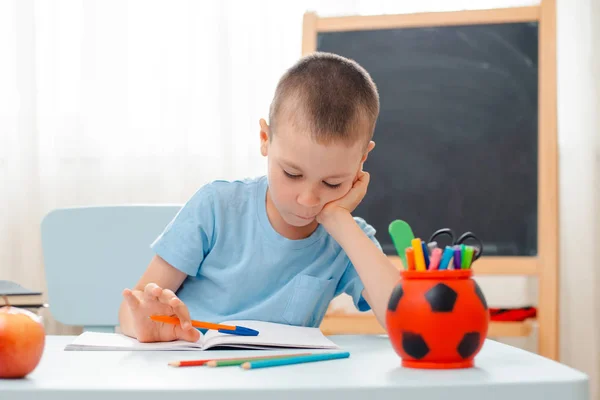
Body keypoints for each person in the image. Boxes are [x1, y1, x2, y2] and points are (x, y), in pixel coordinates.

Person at [118, 52, 399, 343]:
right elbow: (133, 307)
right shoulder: (216, 207)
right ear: (265, 139)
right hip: (195, 373)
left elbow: (404, 321)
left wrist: (340, 221)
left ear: (362, 160)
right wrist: (144, 325)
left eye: (332, 183)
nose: (308, 199)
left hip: (279, 382)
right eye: (292, 174)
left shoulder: (347, 239)